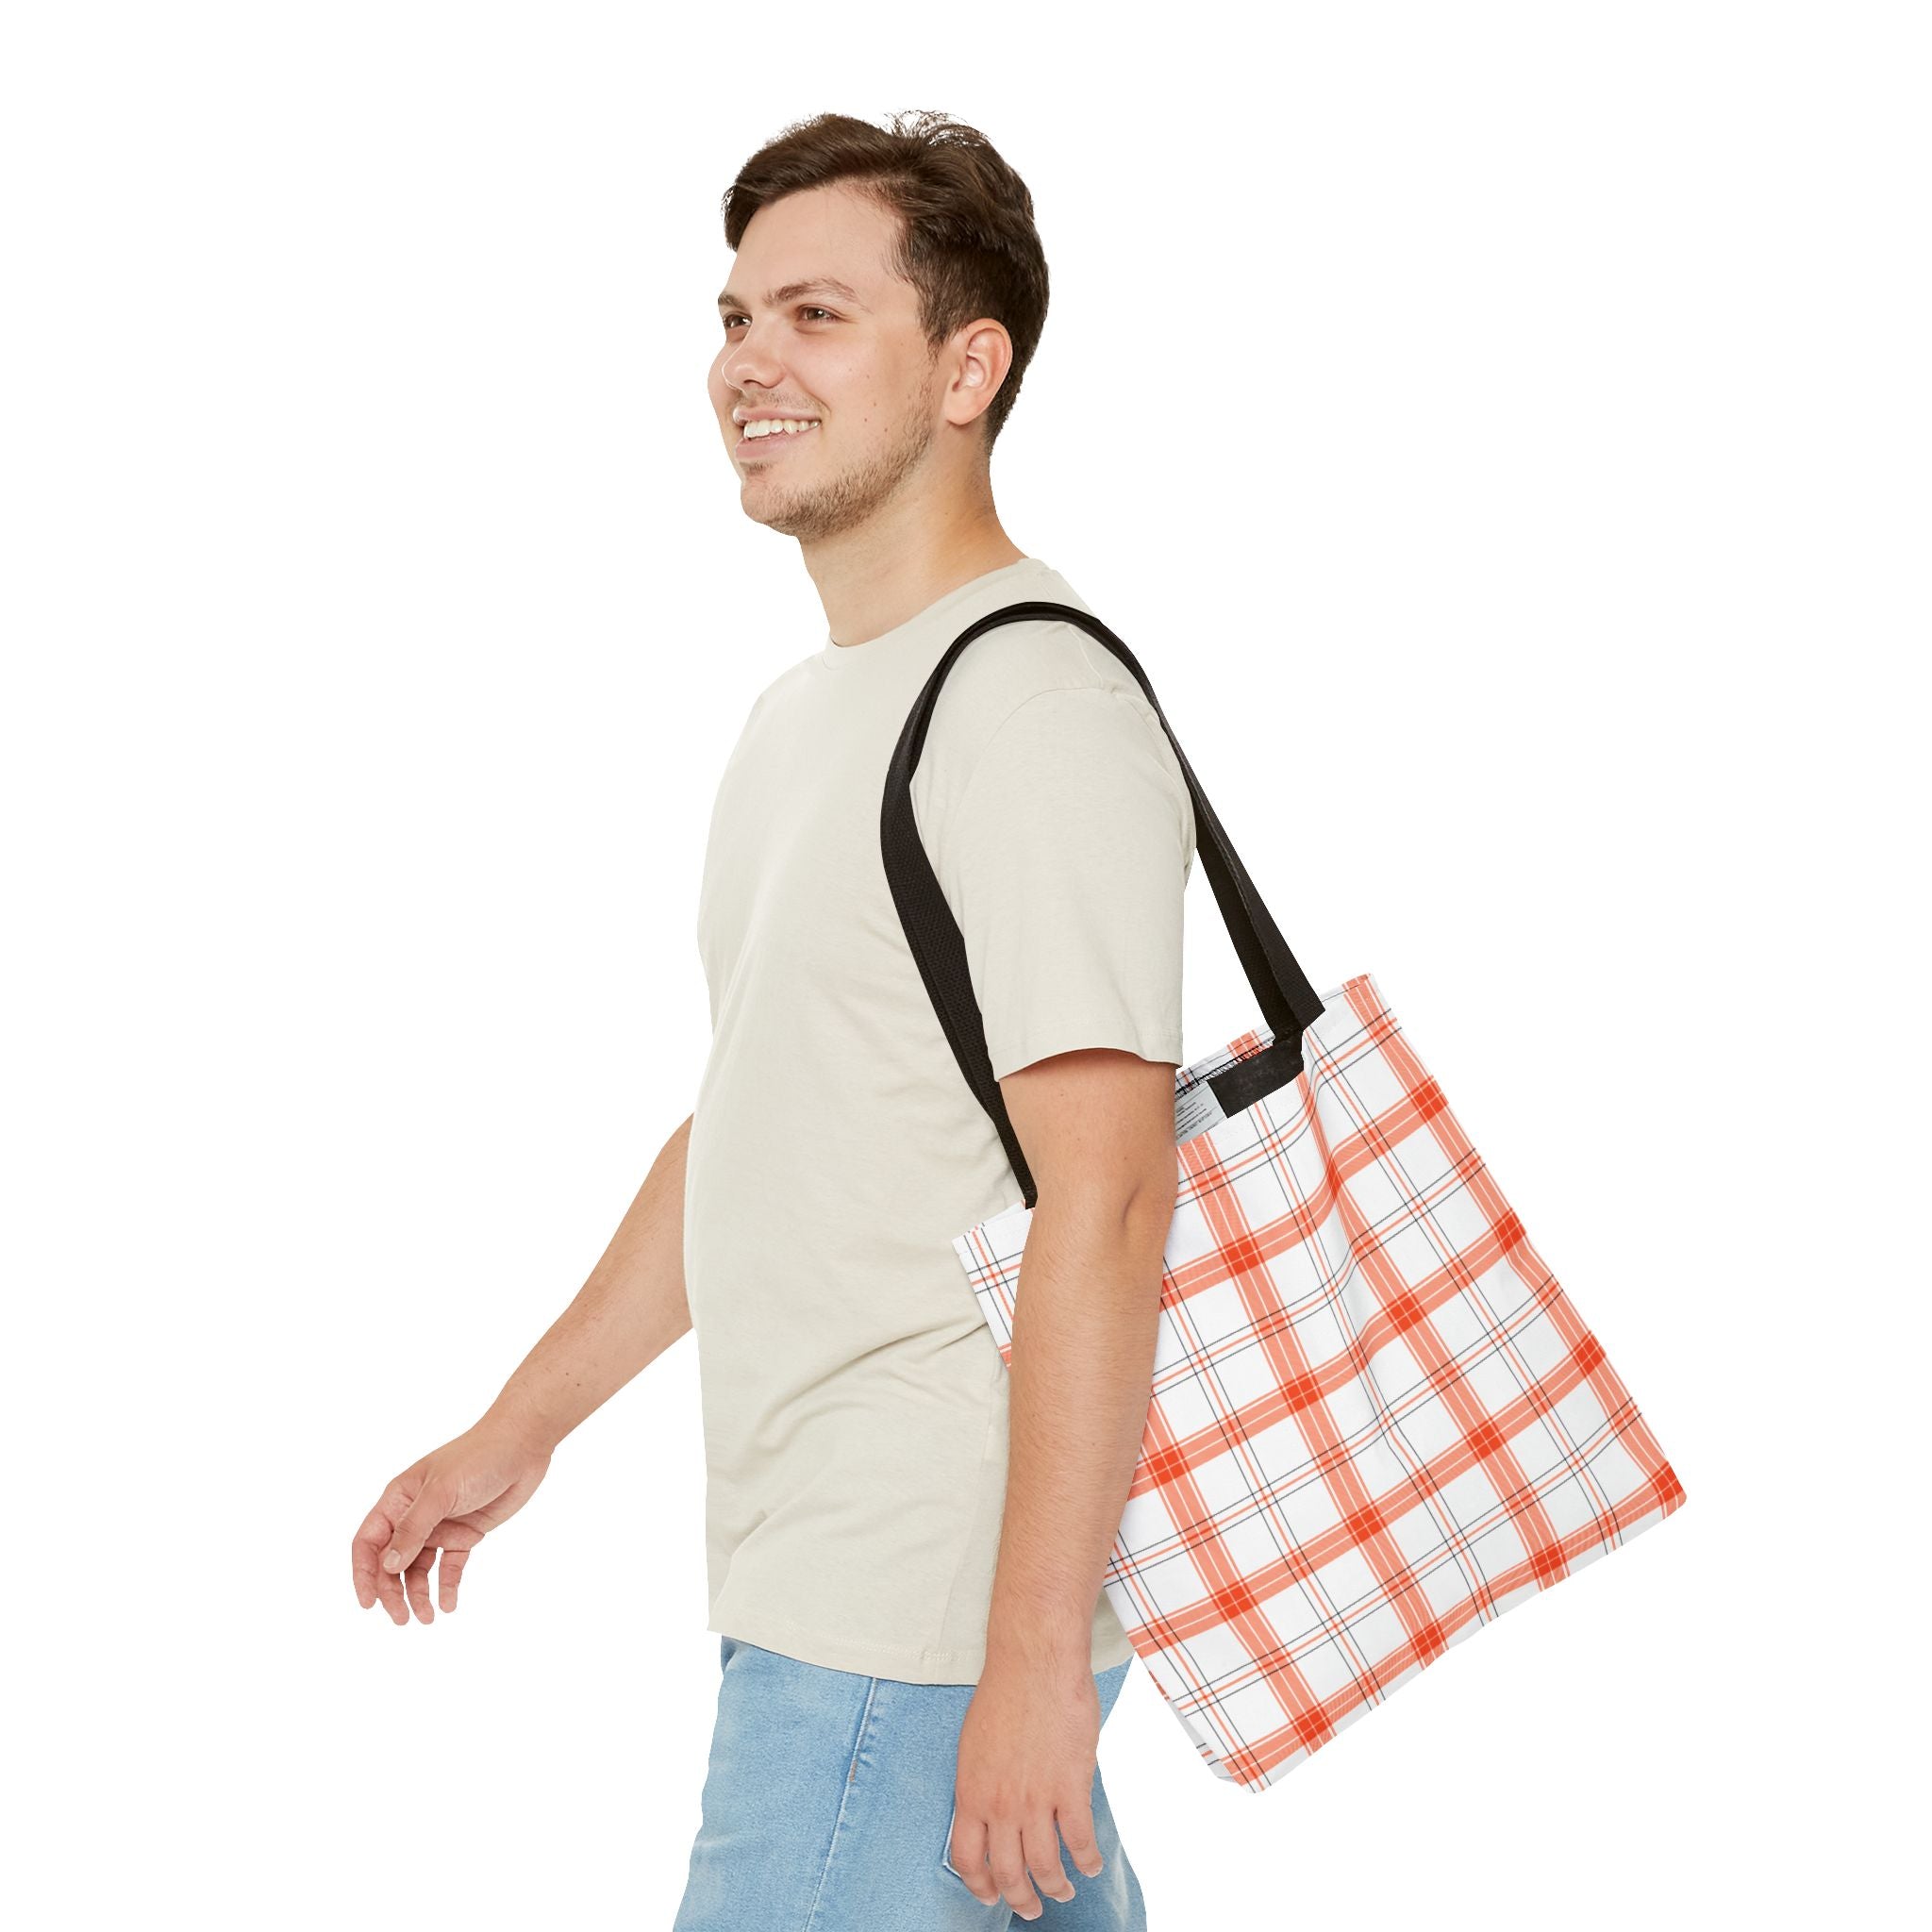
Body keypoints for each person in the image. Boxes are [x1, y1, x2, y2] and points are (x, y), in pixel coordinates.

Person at [350, 108, 1195, 1928]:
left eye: (817, 315)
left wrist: (1030, 1670)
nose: (750, 363)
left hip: (904, 1629)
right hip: (839, 1598)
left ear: (968, 368)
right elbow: (757, 1127)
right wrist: (519, 1430)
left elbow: (1113, 1194)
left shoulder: (1027, 705)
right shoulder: (807, 719)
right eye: (736, 317)